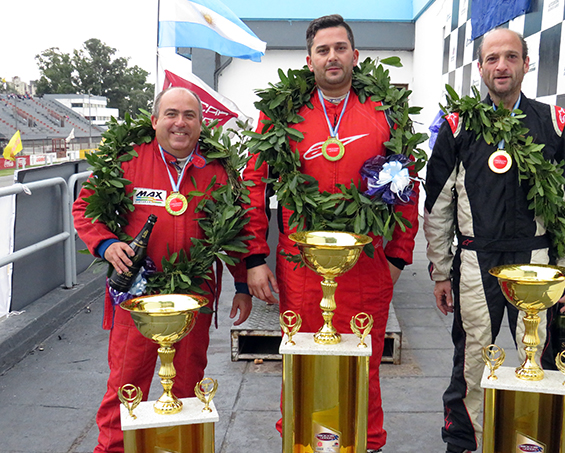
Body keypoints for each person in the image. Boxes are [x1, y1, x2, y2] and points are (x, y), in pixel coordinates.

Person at [242, 14, 420, 453]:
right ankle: (303, 443)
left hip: (367, 263)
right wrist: (252, 259)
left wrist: (399, 255)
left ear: (355, 56)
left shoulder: (385, 111)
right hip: (300, 265)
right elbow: (253, 183)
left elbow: (407, 185)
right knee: (302, 361)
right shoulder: (281, 114)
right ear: (309, 61)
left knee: (364, 362)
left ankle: (365, 443)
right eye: (323, 50)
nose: (332, 56)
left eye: (340, 48)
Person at [423, 28, 565, 453]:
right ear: (479, 67)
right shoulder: (458, 126)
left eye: (511, 57)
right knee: (473, 360)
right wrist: (440, 271)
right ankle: (462, 443)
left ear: (526, 64)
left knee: (541, 361)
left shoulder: (553, 123)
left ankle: (536, 442)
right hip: (478, 262)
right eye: (492, 58)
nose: (501, 66)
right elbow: (438, 205)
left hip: (538, 262)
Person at [72, 86, 252, 453]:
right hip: (138, 296)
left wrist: (242, 285)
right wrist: (106, 244)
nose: (179, 123)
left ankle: (182, 447)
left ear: (202, 125)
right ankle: (113, 449)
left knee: (188, 384)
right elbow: (85, 209)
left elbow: (236, 230)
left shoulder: (218, 170)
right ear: (154, 121)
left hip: (193, 294)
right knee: (126, 385)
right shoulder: (127, 161)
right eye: (171, 114)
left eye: (189, 116)